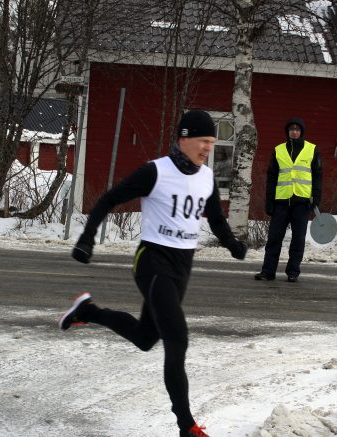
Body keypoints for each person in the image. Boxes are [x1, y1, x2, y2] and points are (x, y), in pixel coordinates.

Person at [58, 110, 247, 437]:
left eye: (212, 143)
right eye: (202, 141)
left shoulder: (206, 178)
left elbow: (216, 218)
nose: (207, 149)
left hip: (181, 266)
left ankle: (87, 311)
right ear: (183, 138)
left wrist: (232, 244)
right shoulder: (155, 172)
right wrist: (87, 238)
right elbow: (109, 199)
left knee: (146, 338)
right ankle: (186, 426)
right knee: (178, 339)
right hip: (152, 261)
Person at [254, 117, 322, 283]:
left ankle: (293, 272)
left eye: (297, 129)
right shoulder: (278, 150)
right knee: (274, 238)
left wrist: (316, 197)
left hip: (302, 203)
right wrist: (269, 203)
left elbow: (318, 175)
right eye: (291, 129)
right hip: (281, 202)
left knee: (298, 240)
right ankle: (268, 271)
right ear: (287, 132)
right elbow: (271, 178)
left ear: (301, 132)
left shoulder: (312, 150)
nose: (294, 132)